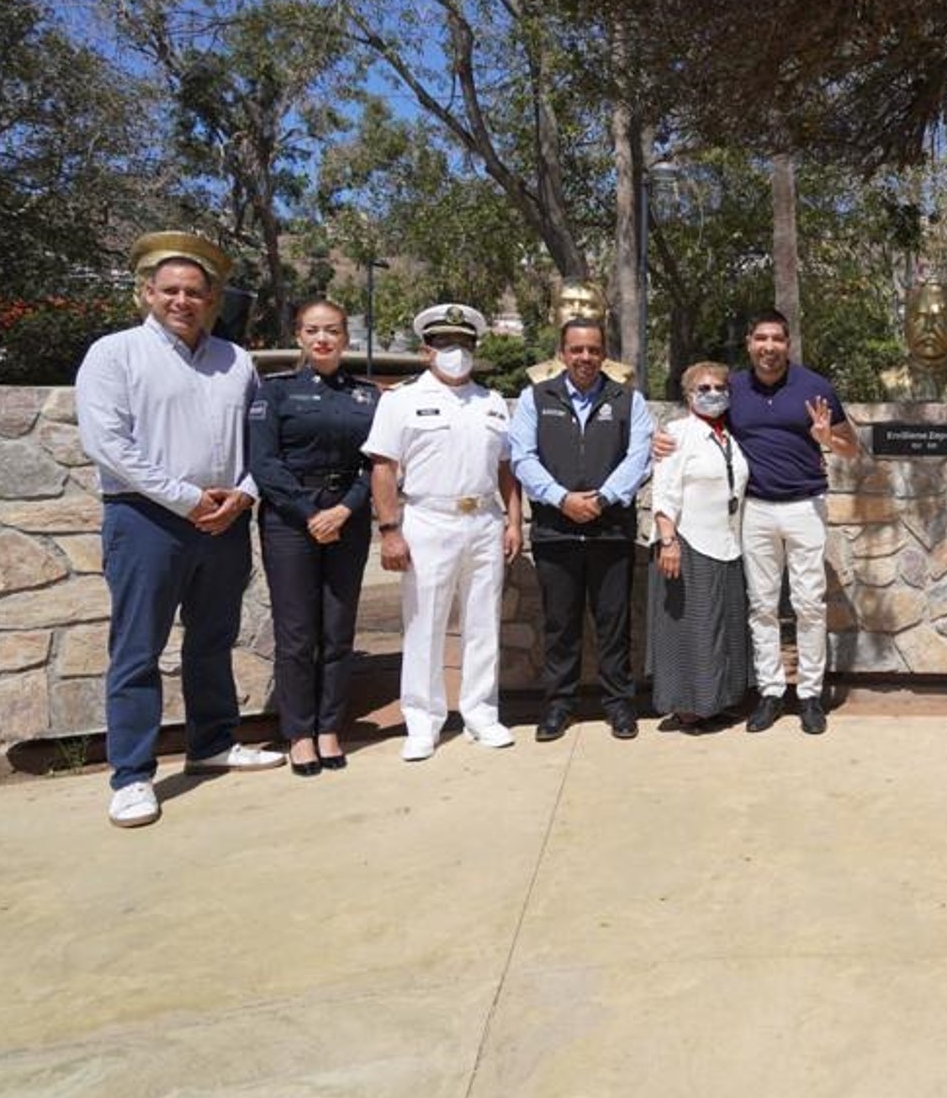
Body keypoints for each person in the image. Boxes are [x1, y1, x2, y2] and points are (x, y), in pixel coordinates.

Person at [76, 230, 284, 827]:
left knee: (212, 638)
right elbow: (108, 444)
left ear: (211, 298)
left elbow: (260, 441)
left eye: (194, 291)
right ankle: (131, 776)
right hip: (146, 520)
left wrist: (244, 494)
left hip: (223, 520)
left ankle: (212, 742)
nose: (182, 301)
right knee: (138, 648)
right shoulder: (113, 355)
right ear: (147, 292)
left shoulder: (236, 361)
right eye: (170, 290)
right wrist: (187, 499)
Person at [651, 309, 860, 735]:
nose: (769, 347)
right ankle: (770, 692)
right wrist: (657, 439)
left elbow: (851, 447)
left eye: (777, 339)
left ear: (788, 343)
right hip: (756, 509)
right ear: (749, 343)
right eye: (760, 338)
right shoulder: (735, 389)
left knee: (808, 604)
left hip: (805, 506)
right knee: (761, 606)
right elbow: (699, 423)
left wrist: (827, 439)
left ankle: (809, 695)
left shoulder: (815, 387)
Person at [363, 303, 524, 762]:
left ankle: (481, 714)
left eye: (465, 343)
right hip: (428, 518)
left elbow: (505, 469)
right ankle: (422, 721)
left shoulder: (492, 401)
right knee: (425, 624)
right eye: (446, 343)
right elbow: (383, 468)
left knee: (482, 623)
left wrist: (513, 521)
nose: (456, 351)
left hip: (483, 519)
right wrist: (389, 530)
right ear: (426, 350)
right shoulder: (400, 400)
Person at [249, 298, 379, 777]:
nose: (323, 339)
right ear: (299, 336)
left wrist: (344, 509)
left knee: (338, 630)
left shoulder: (367, 396)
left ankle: (330, 728)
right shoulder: (275, 392)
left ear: (346, 337)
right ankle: (300, 733)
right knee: (297, 633)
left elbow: (377, 462)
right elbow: (264, 463)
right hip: (291, 520)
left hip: (348, 516)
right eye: (312, 330)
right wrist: (310, 514)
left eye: (332, 330)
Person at [509, 315, 653, 742]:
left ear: (604, 354)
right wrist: (562, 499)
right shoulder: (536, 398)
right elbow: (522, 457)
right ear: (562, 353)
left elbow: (639, 457)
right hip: (556, 531)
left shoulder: (628, 400)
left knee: (614, 623)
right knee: (560, 625)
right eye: (577, 349)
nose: (585, 357)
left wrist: (603, 499)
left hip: (611, 530)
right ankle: (559, 706)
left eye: (593, 349)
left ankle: (619, 705)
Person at [647, 362, 753, 732]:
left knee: (723, 628)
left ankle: (716, 702)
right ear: (688, 395)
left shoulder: (730, 438)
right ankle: (688, 707)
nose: (713, 394)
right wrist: (668, 540)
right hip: (688, 543)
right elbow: (664, 490)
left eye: (720, 387)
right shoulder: (677, 434)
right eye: (703, 388)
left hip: (727, 544)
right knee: (690, 631)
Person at [524, 281, 634, 386]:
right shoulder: (537, 375)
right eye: (567, 304)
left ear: (605, 317)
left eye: (588, 305)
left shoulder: (621, 376)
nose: (576, 311)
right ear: (552, 315)